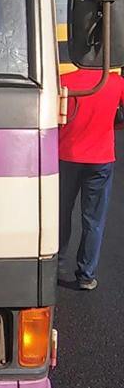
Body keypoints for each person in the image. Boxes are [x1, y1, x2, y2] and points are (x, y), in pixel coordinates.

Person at [58, 66, 124, 290]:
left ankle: (55, 265)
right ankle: (86, 275)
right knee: (94, 220)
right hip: (101, 158)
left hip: (66, 155)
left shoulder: (63, 80)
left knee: (61, 214)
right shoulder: (115, 83)